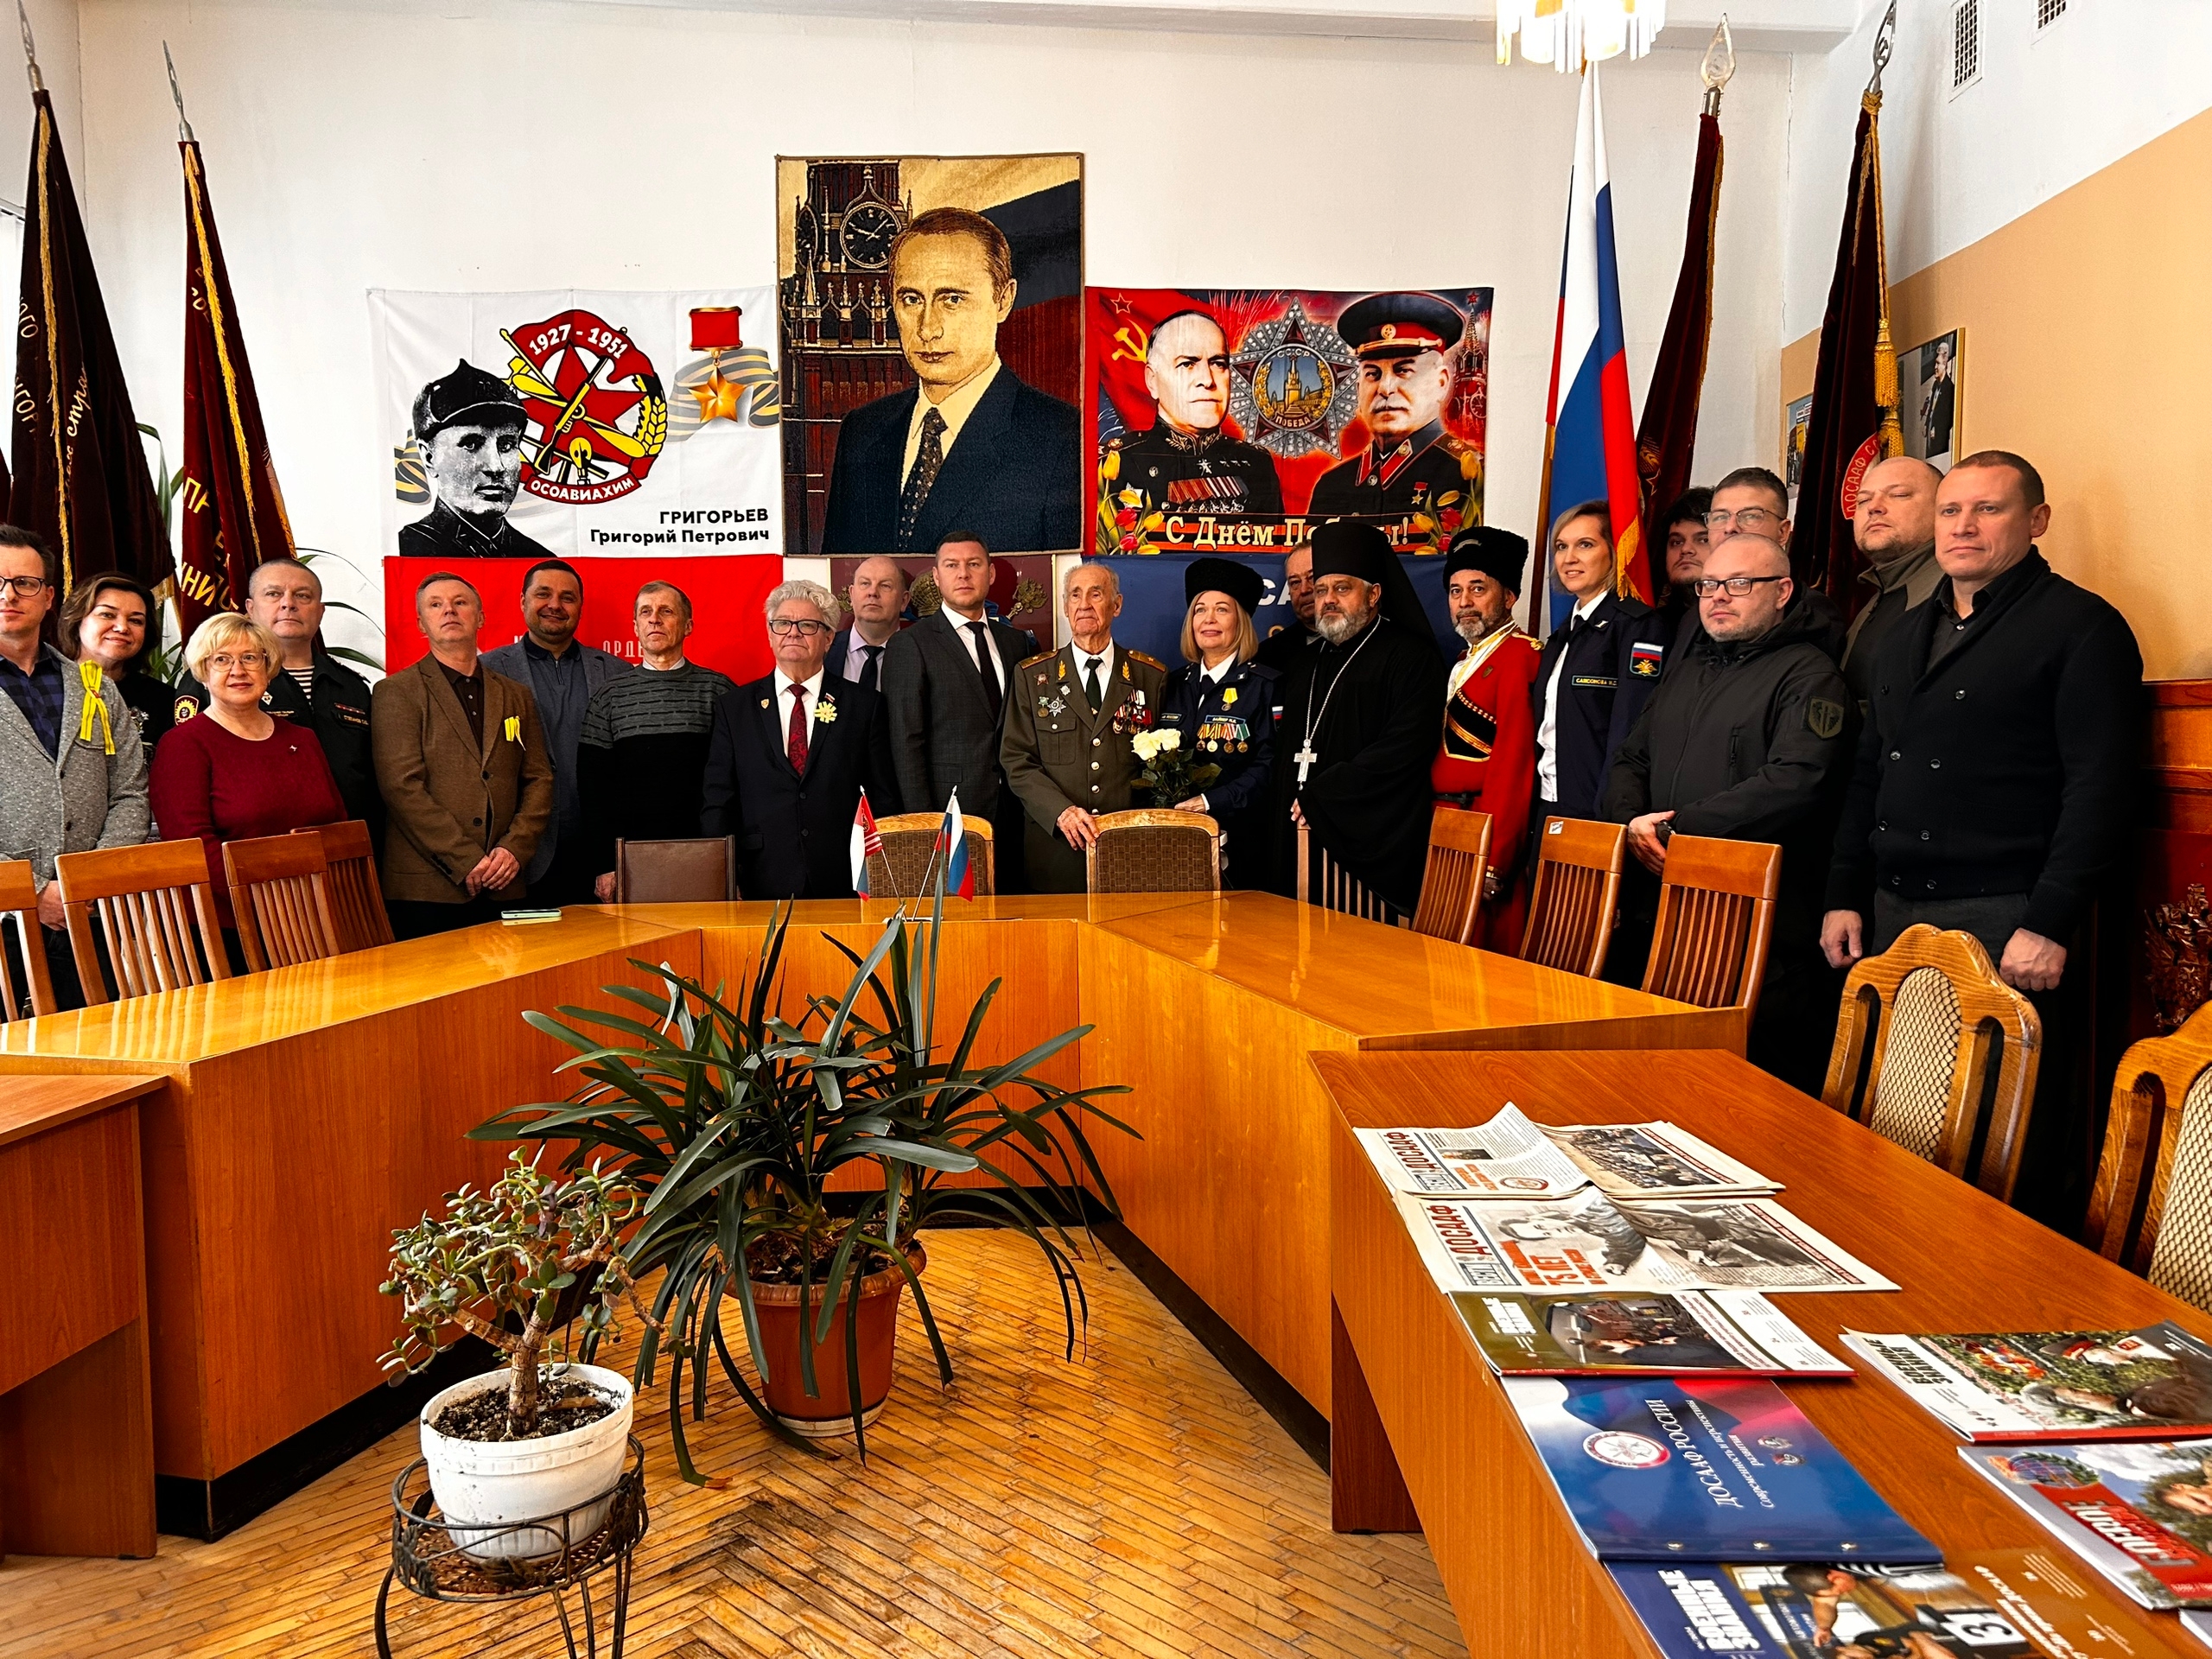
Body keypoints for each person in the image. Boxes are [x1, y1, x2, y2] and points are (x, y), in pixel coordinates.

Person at [1823, 452, 2144, 1227]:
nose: (1963, 526)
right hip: (1896, 912)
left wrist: (2050, 921)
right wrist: (1842, 894)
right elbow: (1868, 776)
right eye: (1951, 511)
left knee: (2000, 1139)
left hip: (2007, 915)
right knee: (1903, 1124)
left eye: (1988, 510)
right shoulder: (1905, 632)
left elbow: (2100, 788)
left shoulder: (2082, 628)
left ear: (2036, 522)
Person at [1603, 533, 1854, 1090]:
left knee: (1750, 1091)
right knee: (1662, 1079)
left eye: (1739, 584)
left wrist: (1677, 829)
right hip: (1667, 907)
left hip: (1761, 930)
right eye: (1709, 585)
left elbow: (1798, 780)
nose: (1718, 596)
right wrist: (1632, 822)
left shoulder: (1809, 674)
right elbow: (1629, 758)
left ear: (1782, 592)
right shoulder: (1686, 668)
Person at [822, 207, 1080, 555]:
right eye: (911, 300)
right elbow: (840, 574)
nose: (928, 328)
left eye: (952, 300)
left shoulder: (1061, 437)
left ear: (1003, 301)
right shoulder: (862, 431)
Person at [0, 528, 149, 1010]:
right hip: (6, 920)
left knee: (100, 1043)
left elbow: (129, 791)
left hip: (92, 917)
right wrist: (32, 891)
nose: (8, 595)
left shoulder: (94, 685)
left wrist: (85, 882)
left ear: (48, 598)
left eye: (24, 583)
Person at [1269, 521, 1445, 918]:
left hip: (1365, 846)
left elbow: (1406, 747)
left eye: (1342, 588)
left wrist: (1326, 793)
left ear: (1374, 594)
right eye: (1321, 590)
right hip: (1296, 836)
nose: (1328, 600)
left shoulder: (1411, 658)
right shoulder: (1304, 664)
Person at [149, 613, 347, 956]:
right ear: (203, 671)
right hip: (228, 928)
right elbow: (193, 846)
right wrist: (270, 898)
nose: (238, 670)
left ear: (268, 668)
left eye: (250, 658)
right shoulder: (183, 744)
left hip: (314, 914)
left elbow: (336, 825)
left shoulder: (303, 739)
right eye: (221, 660)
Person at [370, 573, 554, 938]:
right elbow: (401, 788)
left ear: (481, 617)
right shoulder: (396, 691)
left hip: (503, 880)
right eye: (436, 605)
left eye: (460, 602)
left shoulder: (516, 694)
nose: (449, 611)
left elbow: (539, 778)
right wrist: (465, 859)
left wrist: (514, 850)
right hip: (428, 889)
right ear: (421, 623)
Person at [701, 579, 900, 899]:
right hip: (759, 878)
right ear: (770, 635)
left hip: (845, 878)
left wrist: (881, 871)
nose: (793, 633)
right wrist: (722, 876)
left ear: (829, 638)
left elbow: (882, 797)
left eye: (807, 625)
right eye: (782, 623)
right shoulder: (734, 708)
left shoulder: (864, 706)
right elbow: (718, 800)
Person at [175, 557, 381, 838]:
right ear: (250, 608)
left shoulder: (352, 686)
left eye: (302, 596)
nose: (288, 604)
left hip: (352, 844)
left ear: (320, 612)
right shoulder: (217, 680)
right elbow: (190, 778)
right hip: (254, 847)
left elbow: (373, 774)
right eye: (273, 594)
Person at [881, 532, 1039, 889]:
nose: (963, 574)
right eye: (952, 566)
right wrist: (925, 823)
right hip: (949, 814)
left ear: (991, 574)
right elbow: (905, 743)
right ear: (937, 577)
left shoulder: (1016, 643)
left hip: (1017, 811)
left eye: (974, 564)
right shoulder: (910, 644)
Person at [1001, 563, 1168, 893]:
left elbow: (1161, 769)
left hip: (1128, 848)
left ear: (1116, 605)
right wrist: (1060, 811)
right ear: (1065, 607)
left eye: (1096, 594)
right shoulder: (1032, 676)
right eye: (1075, 596)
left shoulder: (1150, 676)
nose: (1084, 605)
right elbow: (1017, 760)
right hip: (1056, 850)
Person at [481, 559, 629, 903]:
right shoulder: (487, 671)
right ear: (523, 601)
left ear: (580, 607)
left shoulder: (617, 672)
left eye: (567, 597)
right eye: (543, 594)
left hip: (600, 856)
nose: (555, 605)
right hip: (519, 855)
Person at [576, 582, 734, 902]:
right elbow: (594, 791)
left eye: (666, 611)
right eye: (645, 612)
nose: (654, 619)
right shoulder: (609, 696)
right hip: (631, 864)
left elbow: (738, 785)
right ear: (635, 627)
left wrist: (735, 865)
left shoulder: (719, 692)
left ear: (688, 626)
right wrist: (605, 864)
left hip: (706, 857)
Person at [1432, 526, 1541, 951]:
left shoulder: (1519, 657)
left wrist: (1495, 859)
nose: (1465, 602)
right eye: (1456, 591)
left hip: (1483, 827)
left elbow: (1514, 765)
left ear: (1509, 596)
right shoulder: (1465, 659)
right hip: (1449, 825)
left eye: (1478, 589)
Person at [1530, 501, 1670, 829]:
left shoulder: (1637, 627)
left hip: (1597, 811)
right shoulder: (1562, 634)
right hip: (1549, 804)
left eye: (1585, 545)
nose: (1569, 558)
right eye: (1561, 547)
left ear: (1615, 552)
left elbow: (1630, 731)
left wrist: (1610, 812)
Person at [1097, 310, 1282, 542]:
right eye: (1187, 364)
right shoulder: (1117, 463)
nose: (1208, 380)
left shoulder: (1256, 464)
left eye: (1218, 364)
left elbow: (1271, 556)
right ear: (1152, 381)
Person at [1156, 557, 1277, 888]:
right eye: (1200, 610)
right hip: (1173, 843)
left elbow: (1268, 766)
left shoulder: (1265, 687)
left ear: (1241, 621)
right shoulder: (1171, 685)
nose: (1208, 619)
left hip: (1240, 846)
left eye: (1222, 609)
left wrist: (1211, 802)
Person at [1307, 291, 1478, 524]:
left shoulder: (1469, 475)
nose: (1385, 389)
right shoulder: (1332, 486)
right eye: (1372, 374)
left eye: (1404, 371)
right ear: (1358, 389)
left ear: (1441, 383)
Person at [397, 360, 555, 562]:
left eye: (506, 445)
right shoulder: (407, 550)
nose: (496, 467)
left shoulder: (540, 560)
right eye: (471, 444)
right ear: (429, 457)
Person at [1839, 456, 1944, 712]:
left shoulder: (1953, 596)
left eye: (1898, 495)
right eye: (1863, 500)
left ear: (1943, 508)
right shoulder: (1880, 594)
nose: (1874, 507)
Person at [1707, 465, 1845, 658]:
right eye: (1720, 517)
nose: (1730, 528)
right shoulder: (1697, 612)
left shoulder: (1814, 618)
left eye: (1750, 516)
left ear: (1783, 532)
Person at [58, 572, 171, 768]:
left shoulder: (165, 701)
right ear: (77, 619)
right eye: (107, 615)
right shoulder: (46, 687)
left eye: (136, 620)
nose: (122, 627)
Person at [830, 555, 909, 690]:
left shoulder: (923, 654)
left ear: (903, 601)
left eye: (885, 585)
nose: (872, 592)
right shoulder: (823, 650)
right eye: (865, 584)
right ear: (851, 595)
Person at [1653, 486, 1713, 641]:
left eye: (1703, 540)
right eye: (1676, 542)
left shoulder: (1739, 620)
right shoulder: (1649, 627)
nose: (1686, 549)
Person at [1255, 539, 1320, 677]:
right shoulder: (1267, 657)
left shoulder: (1363, 645)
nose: (1304, 589)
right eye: (1295, 582)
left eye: (1312, 577)